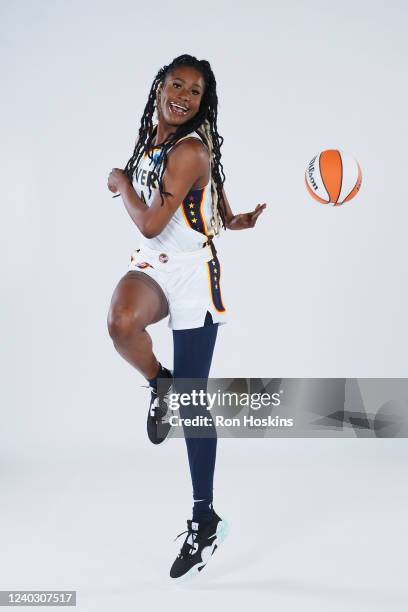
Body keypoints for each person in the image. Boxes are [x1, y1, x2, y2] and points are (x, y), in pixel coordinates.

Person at [107, 54, 266, 580]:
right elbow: (205, 203)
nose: (183, 96)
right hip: (156, 266)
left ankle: (205, 519)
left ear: (203, 102)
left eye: (194, 92)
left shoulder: (192, 148)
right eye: (176, 84)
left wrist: (119, 184)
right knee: (122, 324)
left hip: (193, 274)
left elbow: (151, 222)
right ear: (160, 87)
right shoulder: (158, 134)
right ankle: (160, 382)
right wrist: (233, 218)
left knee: (196, 400)